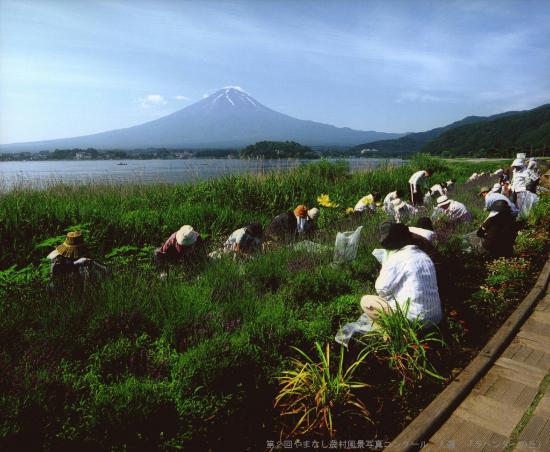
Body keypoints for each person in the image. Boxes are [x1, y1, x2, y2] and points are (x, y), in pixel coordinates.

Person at [360, 222, 442, 327]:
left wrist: (383, 269)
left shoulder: (396, 258)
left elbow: (381, 290)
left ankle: (392, 333)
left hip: (414, 320)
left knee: (366, 301)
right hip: (436, 318)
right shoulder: (424, 256)